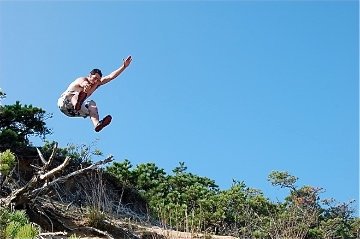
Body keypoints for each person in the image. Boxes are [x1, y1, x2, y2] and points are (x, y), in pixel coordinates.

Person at [57, 56, 132, 132]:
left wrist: (124, 67)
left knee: (92, 104)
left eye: (98, 80)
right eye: (95, 78)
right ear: (89, 75)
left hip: (72, 112)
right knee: (79, 93)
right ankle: (77, 103)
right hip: (64, 102)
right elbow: (83, 83)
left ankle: (97, 124)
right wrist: (85, 85)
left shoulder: (97, 83)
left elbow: (110, 76)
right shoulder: (83, 79)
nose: (96, 81)